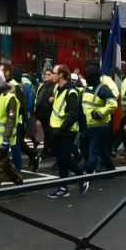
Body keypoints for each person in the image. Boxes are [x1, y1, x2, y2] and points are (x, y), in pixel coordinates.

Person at [47, 64, 88, 199]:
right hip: (56, 129)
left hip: (66, 131)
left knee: (64, 158)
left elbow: (73, 114)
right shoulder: (57, 89)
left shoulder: (71, 92)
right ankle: (64, 187)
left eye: (54, 73)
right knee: (61, 159)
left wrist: (61, 129)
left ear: (61, 75)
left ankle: (81, 177)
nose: (52, 75)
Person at [81, 65, 118, 174]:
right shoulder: (86, 88)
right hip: (88, 125)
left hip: (99, 126)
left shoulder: (103, 89)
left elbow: (113, 104)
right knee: (100, 149)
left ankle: (87, 174)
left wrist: (100, 112)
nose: (85, 77)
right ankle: (110, 169)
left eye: (87, 75)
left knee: (93, 151)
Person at [34, 68, 56, 161]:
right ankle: (46, 149)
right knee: (42, 133)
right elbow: (37, 98)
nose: (46, 76)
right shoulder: (41, 86)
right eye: (46, 74)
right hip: (40, 113)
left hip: (49, 114)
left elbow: (57, 98)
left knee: (48, 133)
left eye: (49, 74)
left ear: (52, 75)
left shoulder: (54, 86)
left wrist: (53, 99)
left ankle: (47, 151)